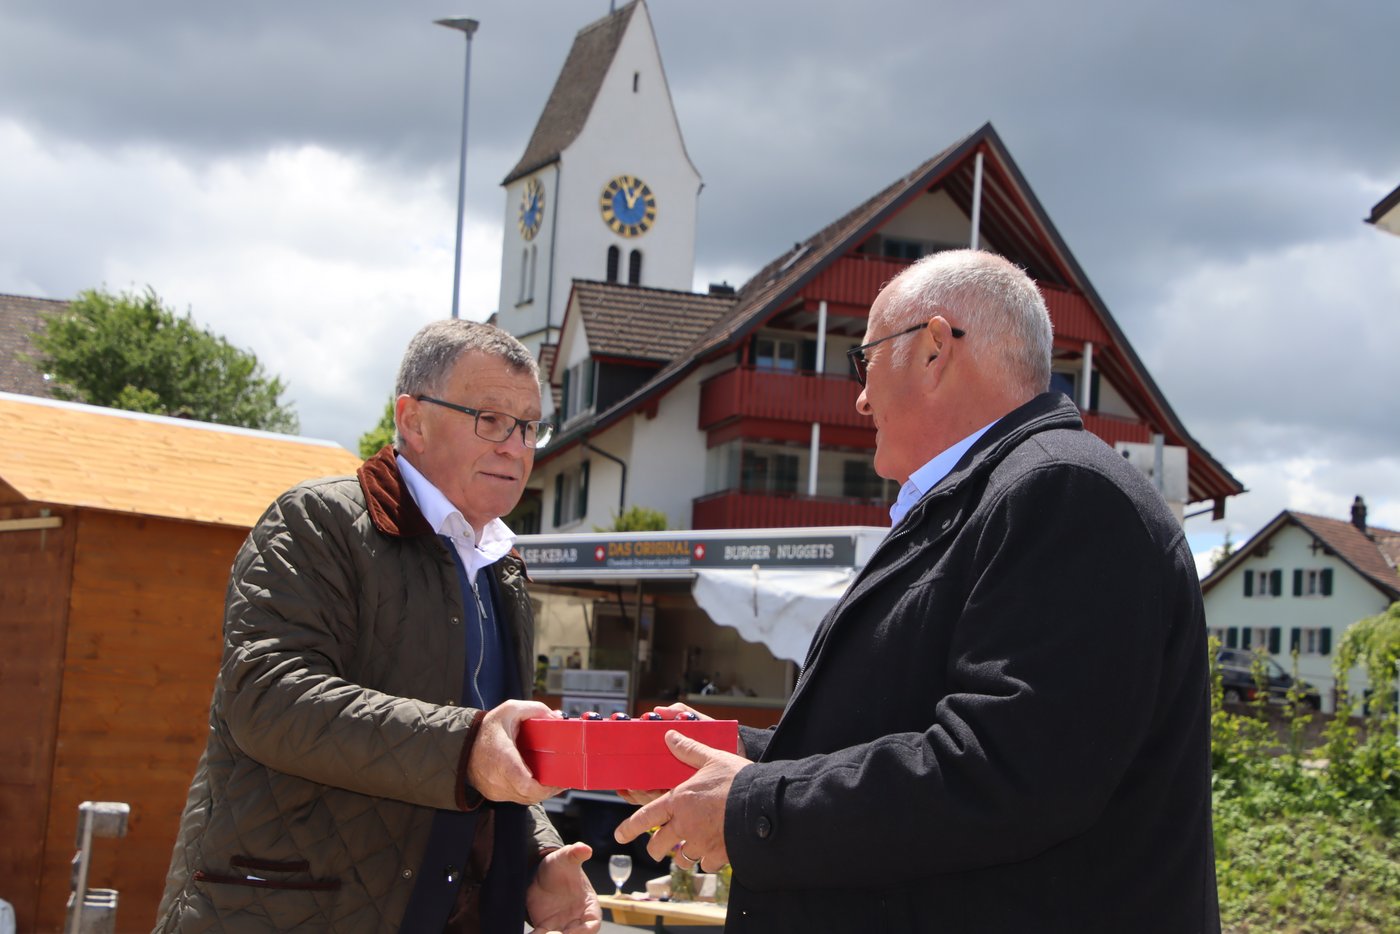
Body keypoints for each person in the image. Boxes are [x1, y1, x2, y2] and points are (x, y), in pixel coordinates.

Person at [617, 250, 1221, 932]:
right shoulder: (1000, 495)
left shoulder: (1062, 493)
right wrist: (734, 757)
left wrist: (752, 804)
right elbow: (904, 732)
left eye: (865, 359)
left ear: (934, 348)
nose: (861, 397)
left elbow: (1005, 773)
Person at [155, 320, 601, 934]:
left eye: (529, 426)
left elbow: (484, 740)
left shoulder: (502, 566)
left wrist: (540, 855)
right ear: (412, 419)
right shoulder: (315, 521)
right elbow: (267, 700)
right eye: (490, 419)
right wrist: (467, 748)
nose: (515, 446)